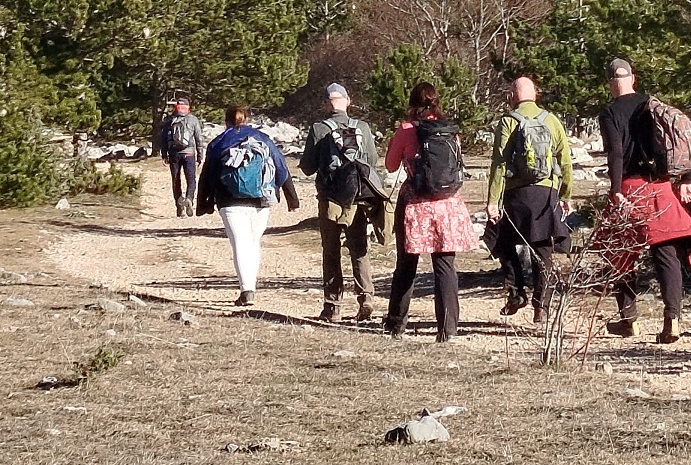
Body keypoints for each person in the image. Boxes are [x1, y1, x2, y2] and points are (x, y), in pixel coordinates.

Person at [598, 57, 691, 344]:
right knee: (665, 252)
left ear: (610, 83)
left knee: (619, 254)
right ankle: (673, 319)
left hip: (630, 187)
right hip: (661, 186)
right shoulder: (652, 105)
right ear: (634, 78)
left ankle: (629, 320)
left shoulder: (610, 113)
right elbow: (681, 139)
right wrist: (687, 177)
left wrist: (615, 189)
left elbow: (616, 153)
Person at [383, 82, 479, 342]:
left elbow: (390, 166)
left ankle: (396, 324)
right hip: (447, 204)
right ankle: (448, 329)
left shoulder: (406, 130)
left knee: (406, 264)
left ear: (412, 103)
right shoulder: (450, 131)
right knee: (445, 265)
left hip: (415, 203)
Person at [486, 74, 574, 323]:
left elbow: (499, 163)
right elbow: (565, 161)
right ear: (535, 94)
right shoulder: (552, 120)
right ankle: (541, 307)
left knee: (500, 241)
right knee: (542, 251)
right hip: (545, 195)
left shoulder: (508, 122)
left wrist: (493, 201)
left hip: (517, 195)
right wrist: (566, 195)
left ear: (512, 96)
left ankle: (516, 293)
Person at [196, 104, 299, 306]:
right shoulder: (262, 138)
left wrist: (204, 203)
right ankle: (250, 286)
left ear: (226, 121)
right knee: (253, 242)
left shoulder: (219, 142)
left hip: (229, 200)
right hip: (261, 199)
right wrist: (292, 198)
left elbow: (207, 175)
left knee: (240, 243)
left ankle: (247, 290)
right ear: (248, 120)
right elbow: (281, 167)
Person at [299, 83, 385, 324]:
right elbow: (372, 161)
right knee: (359, 248)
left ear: (326, 104)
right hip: (358, 197)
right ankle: (366, 297)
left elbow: (307, 167)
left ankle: (333, 306)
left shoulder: (319, 129)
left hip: (331, 198)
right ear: (348, 101)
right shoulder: (362, 127)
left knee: (331, 250)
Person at [159, 97, 203, 217]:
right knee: (191, 179)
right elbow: (198, 139)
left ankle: (179, 208)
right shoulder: (193, 119)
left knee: (176, 180)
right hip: (189, 153)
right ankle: (189, 198)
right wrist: (200, 156)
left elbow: (163, 139)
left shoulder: (170, 120)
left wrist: (164, 154)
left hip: (174, 154)